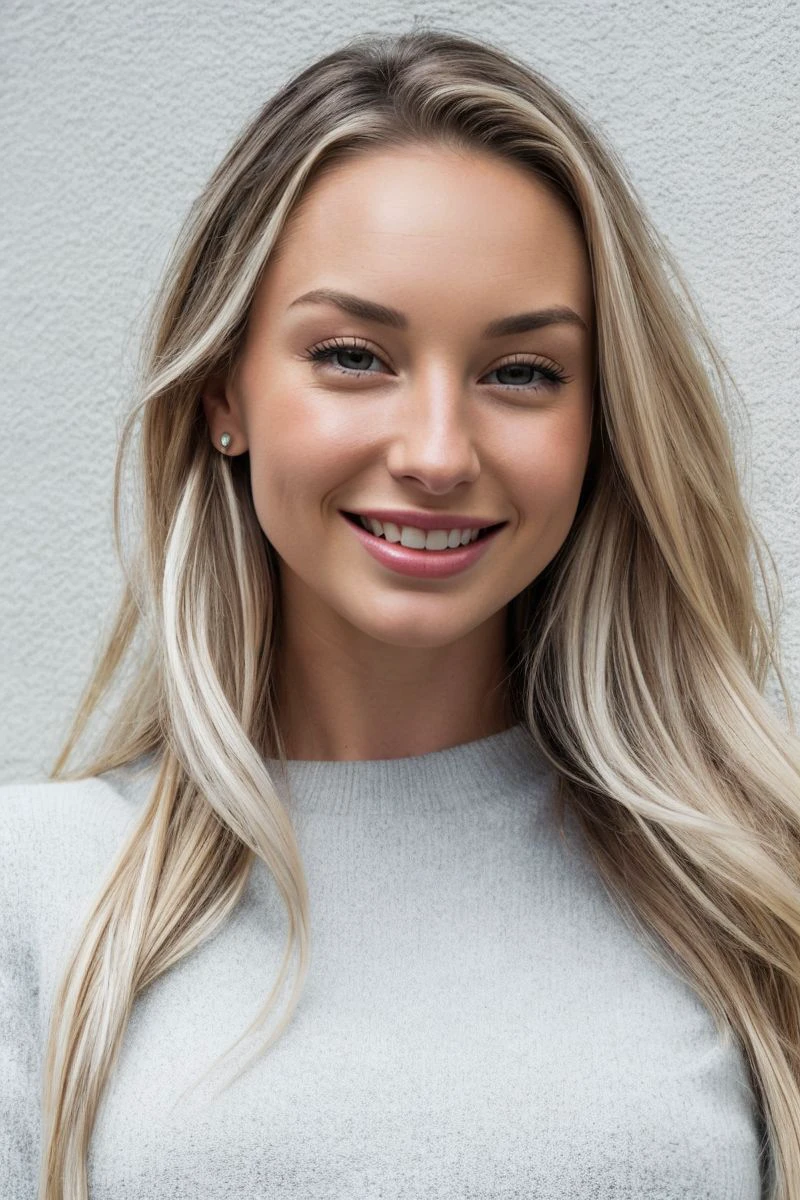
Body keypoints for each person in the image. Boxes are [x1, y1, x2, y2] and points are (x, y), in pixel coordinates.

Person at [1, 26, 797, 1200]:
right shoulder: (40, 886)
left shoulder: (749, 889)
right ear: (227, 390)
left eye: (519, 372)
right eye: (353, 356)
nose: (434, 454)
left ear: (600, 424)